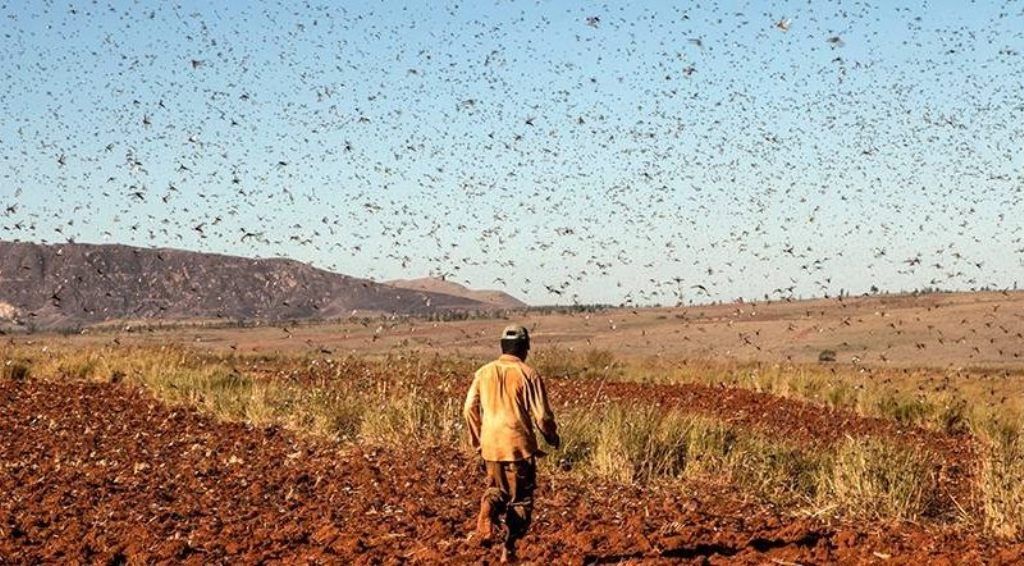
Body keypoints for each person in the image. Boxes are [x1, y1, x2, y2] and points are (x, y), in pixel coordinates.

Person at [463, 324, 560, 563]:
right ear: (525, 348)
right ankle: (509, 548)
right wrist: (551, 436)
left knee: (498, 489)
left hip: (490, 445)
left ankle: (489, 505)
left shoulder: (483, 372)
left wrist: (478, 440)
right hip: (518, 446)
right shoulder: (528, 374)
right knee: (521, 500)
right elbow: (543, 417)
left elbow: (468, 409)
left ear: (503, 347)